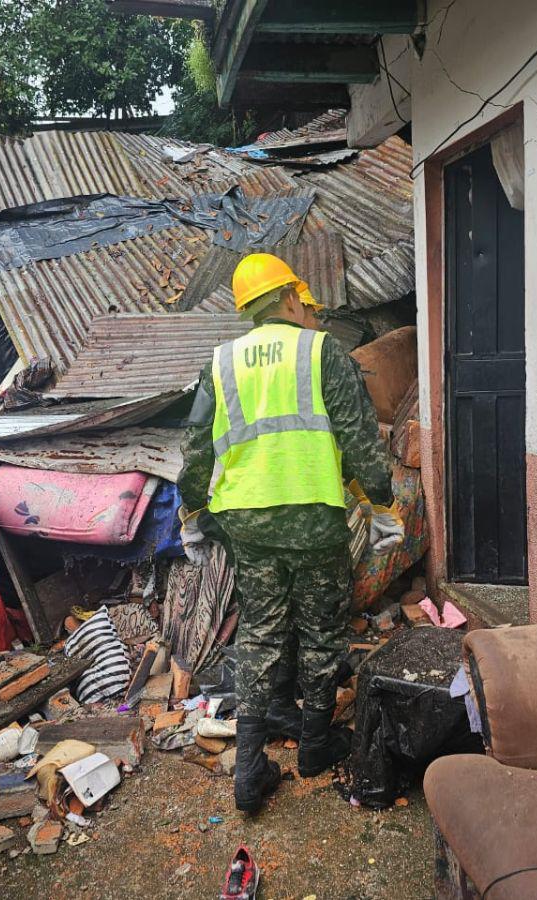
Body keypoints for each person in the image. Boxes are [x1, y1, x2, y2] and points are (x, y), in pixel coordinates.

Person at [178, 253, 398, 813]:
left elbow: (198, 446)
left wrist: (192, 510)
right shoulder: (321, 351)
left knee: (260, 630)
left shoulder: (221, 362)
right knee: (321, 630)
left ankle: (249, 768)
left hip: (246, 522)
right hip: (313, 516)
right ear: (293, 298)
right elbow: (360, 439)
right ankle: (315, 747)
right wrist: (381, 503)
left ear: (248, 308)